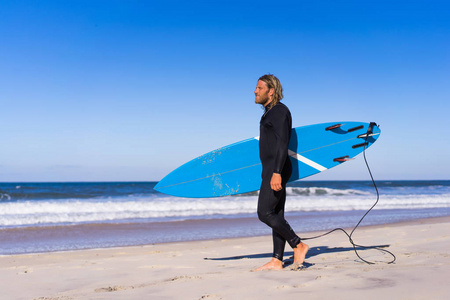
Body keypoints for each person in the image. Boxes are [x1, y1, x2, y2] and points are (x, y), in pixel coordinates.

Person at [254, 74, 309, 271]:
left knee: (264, 213)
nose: (255, 91)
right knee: (277, 213)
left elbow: (282, 142)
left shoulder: (279, 111)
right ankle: (277, 259)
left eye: (260, 88)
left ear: (271, 91)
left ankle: (298, 244)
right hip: (272, 168)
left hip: (276, 169)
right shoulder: (270, 112)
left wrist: (276, 172)